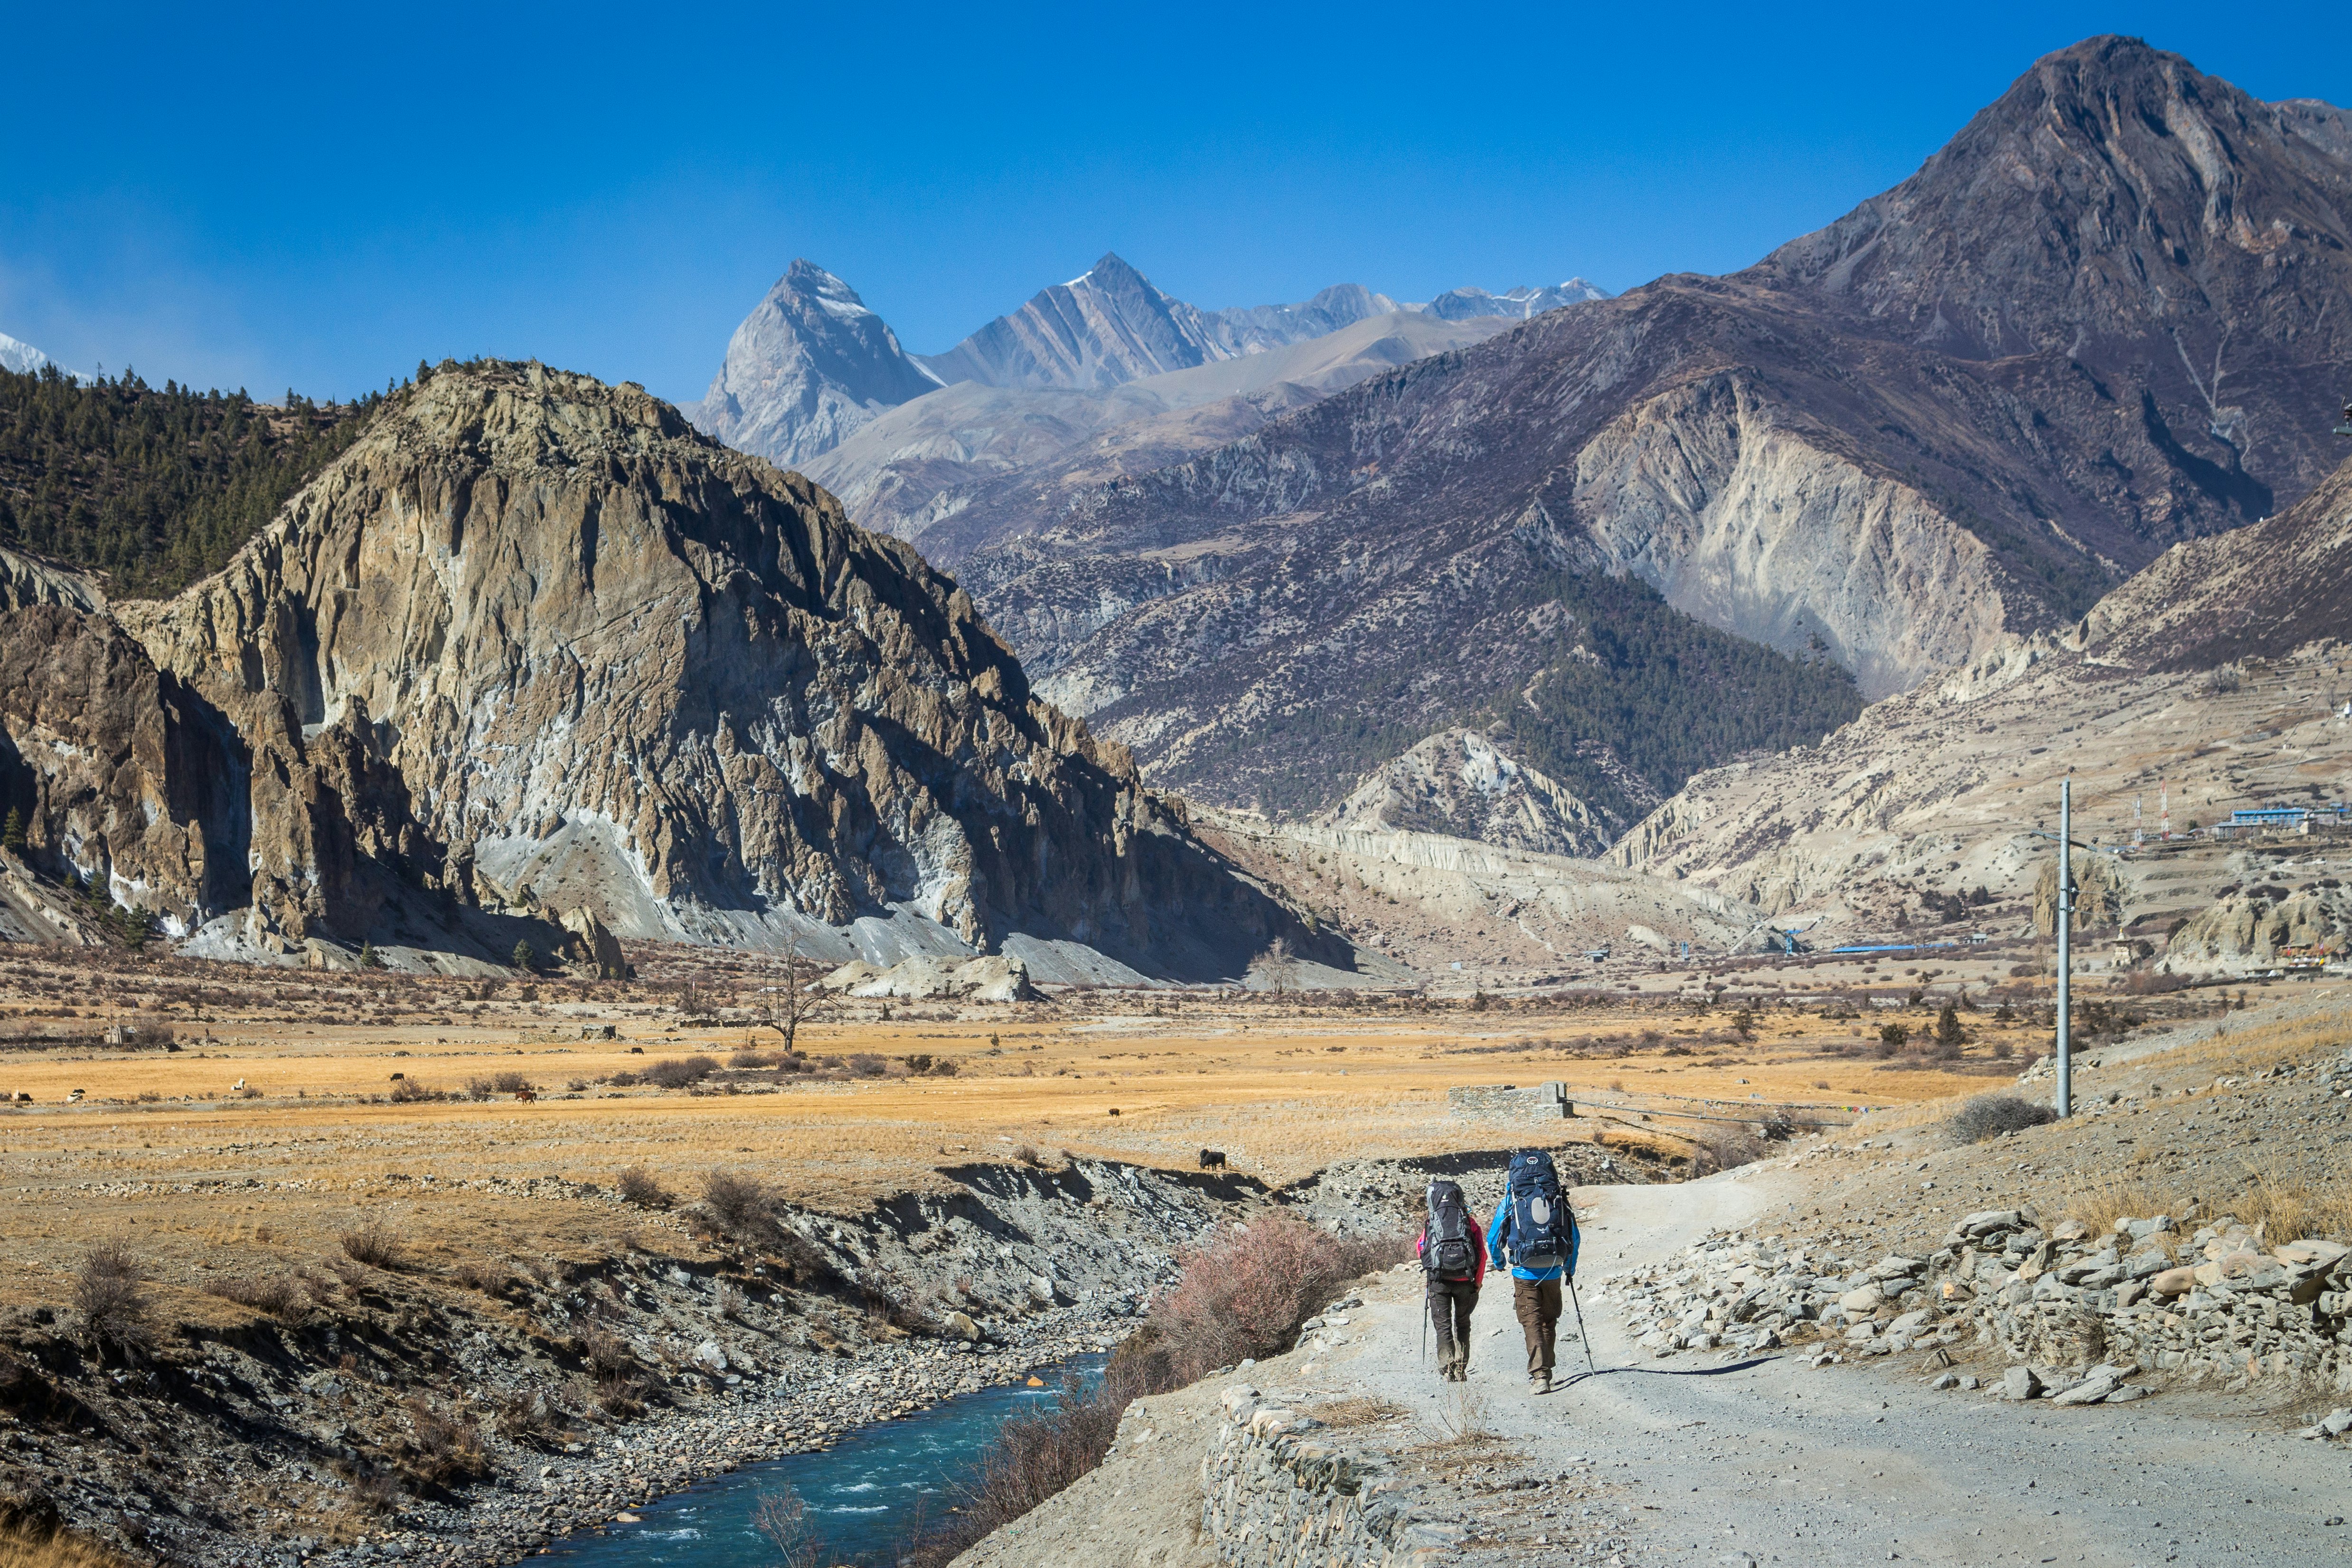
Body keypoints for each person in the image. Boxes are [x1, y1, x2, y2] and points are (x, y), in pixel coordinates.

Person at [1487, 1149, 1580, 1392]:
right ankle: (1546, 1368)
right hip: (1554, 1269)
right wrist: (1569, 1267)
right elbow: (1574, 1237)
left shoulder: (1513, 1198)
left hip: (1524, 1272)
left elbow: (1494, 1236)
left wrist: (1499, 1263)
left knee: (1532, 1323)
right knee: (1549, 1321)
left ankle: (1541, 1375)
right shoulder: (1557, 1196)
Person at [1415, 1178, 1486, 1382]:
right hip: (1466, 1280)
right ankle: (1461, 1367)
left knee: (1443, 1325)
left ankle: (1447, 1365)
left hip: (1439, 1281)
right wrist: (1477, 1282)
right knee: (1463, 1324)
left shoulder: (1432, 1222)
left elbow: (1421, 1248)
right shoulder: (1469, 1222)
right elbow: (1482, 1255)